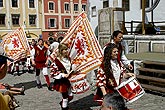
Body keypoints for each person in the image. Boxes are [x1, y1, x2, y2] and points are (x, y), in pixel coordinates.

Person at [50, 43, 75, 110]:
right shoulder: (57, 60)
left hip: (67, 80)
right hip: (61, 81)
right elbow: (53, 72)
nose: (66, 51)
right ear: (61, 50)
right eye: (64, 49)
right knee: (65, 97)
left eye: (67, 49)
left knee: (71, 96)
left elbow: (71, 67)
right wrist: (63, 75)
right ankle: (64, 107)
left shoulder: (69, 58)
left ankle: (63, 104)